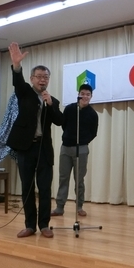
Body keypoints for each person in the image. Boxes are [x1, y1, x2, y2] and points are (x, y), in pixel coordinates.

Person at [6, 42, 63, 238]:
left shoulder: (52, 100)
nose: (42, 80)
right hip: (26, 148)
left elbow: (59, 121)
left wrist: (50, 105)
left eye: (45, 77)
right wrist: (16, 66)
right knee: (27, 187)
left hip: (44, 150)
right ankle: (30, 225)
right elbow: (17, 82)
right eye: (39, 77)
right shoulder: (25, 93)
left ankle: (44, 225)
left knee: (45, 188)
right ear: (32, 79)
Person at [51, 84, 98, 217]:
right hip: (66, 147)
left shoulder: (92, 114)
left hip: (81, 149)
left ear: (91, 96)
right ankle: (60, 207)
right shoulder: (70, 109)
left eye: (87, 94)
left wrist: (83, 141)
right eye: (82, 93)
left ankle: (79, 206)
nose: (85, 96)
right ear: (78, 94)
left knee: (79, 180)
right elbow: (64, 125)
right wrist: (69, 138)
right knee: (63, 178)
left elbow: (93, 132)